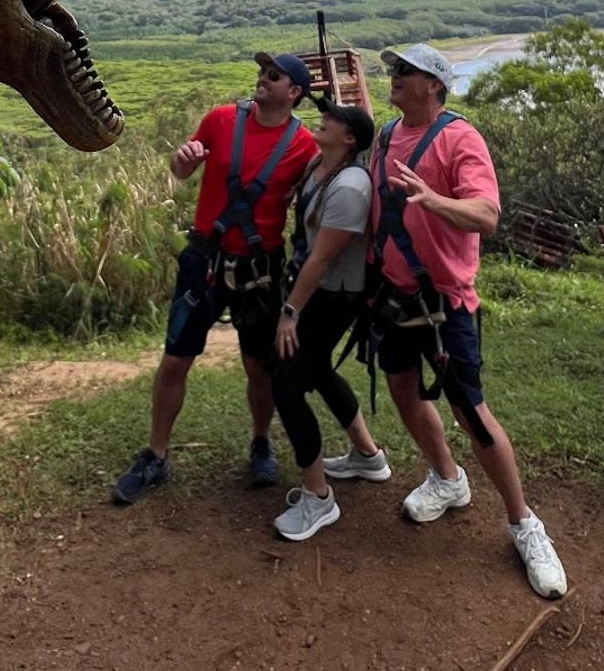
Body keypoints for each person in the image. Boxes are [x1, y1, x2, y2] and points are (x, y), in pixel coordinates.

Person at [366, 43, 568, 599]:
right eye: (393, 70)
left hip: (445, 302)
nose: (394, 77)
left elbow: (487, 214)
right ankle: (448, 480)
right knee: (404, 391)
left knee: (471, 412)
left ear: (434, 83)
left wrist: (432, 199)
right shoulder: (386, 136)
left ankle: (525, 523)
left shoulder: (460, 138)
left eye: (404, 71)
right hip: (394, 295)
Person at [112, 51, 320, 505]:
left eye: (274, 75)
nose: (262, 79)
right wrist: (182, 161)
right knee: (175, 361)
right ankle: (157, 454)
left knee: (259, 367)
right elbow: (182, 168)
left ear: (295, 93)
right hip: (204, 260)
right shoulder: (221, 120)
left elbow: (320, 194)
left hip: (260, 271)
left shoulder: (306, 146)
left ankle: (261, 442)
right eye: (262, 72)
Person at [267, 98, 390, 541]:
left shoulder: (351, 187)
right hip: (319, 292)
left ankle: (318, 498)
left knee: (286, 383)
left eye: (333, 119)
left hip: (332, 297)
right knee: (315, 370)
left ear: (350, 138)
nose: (325, 120)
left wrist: (289, 314)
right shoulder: (320, 170)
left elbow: (320, 261)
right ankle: (368, 456)